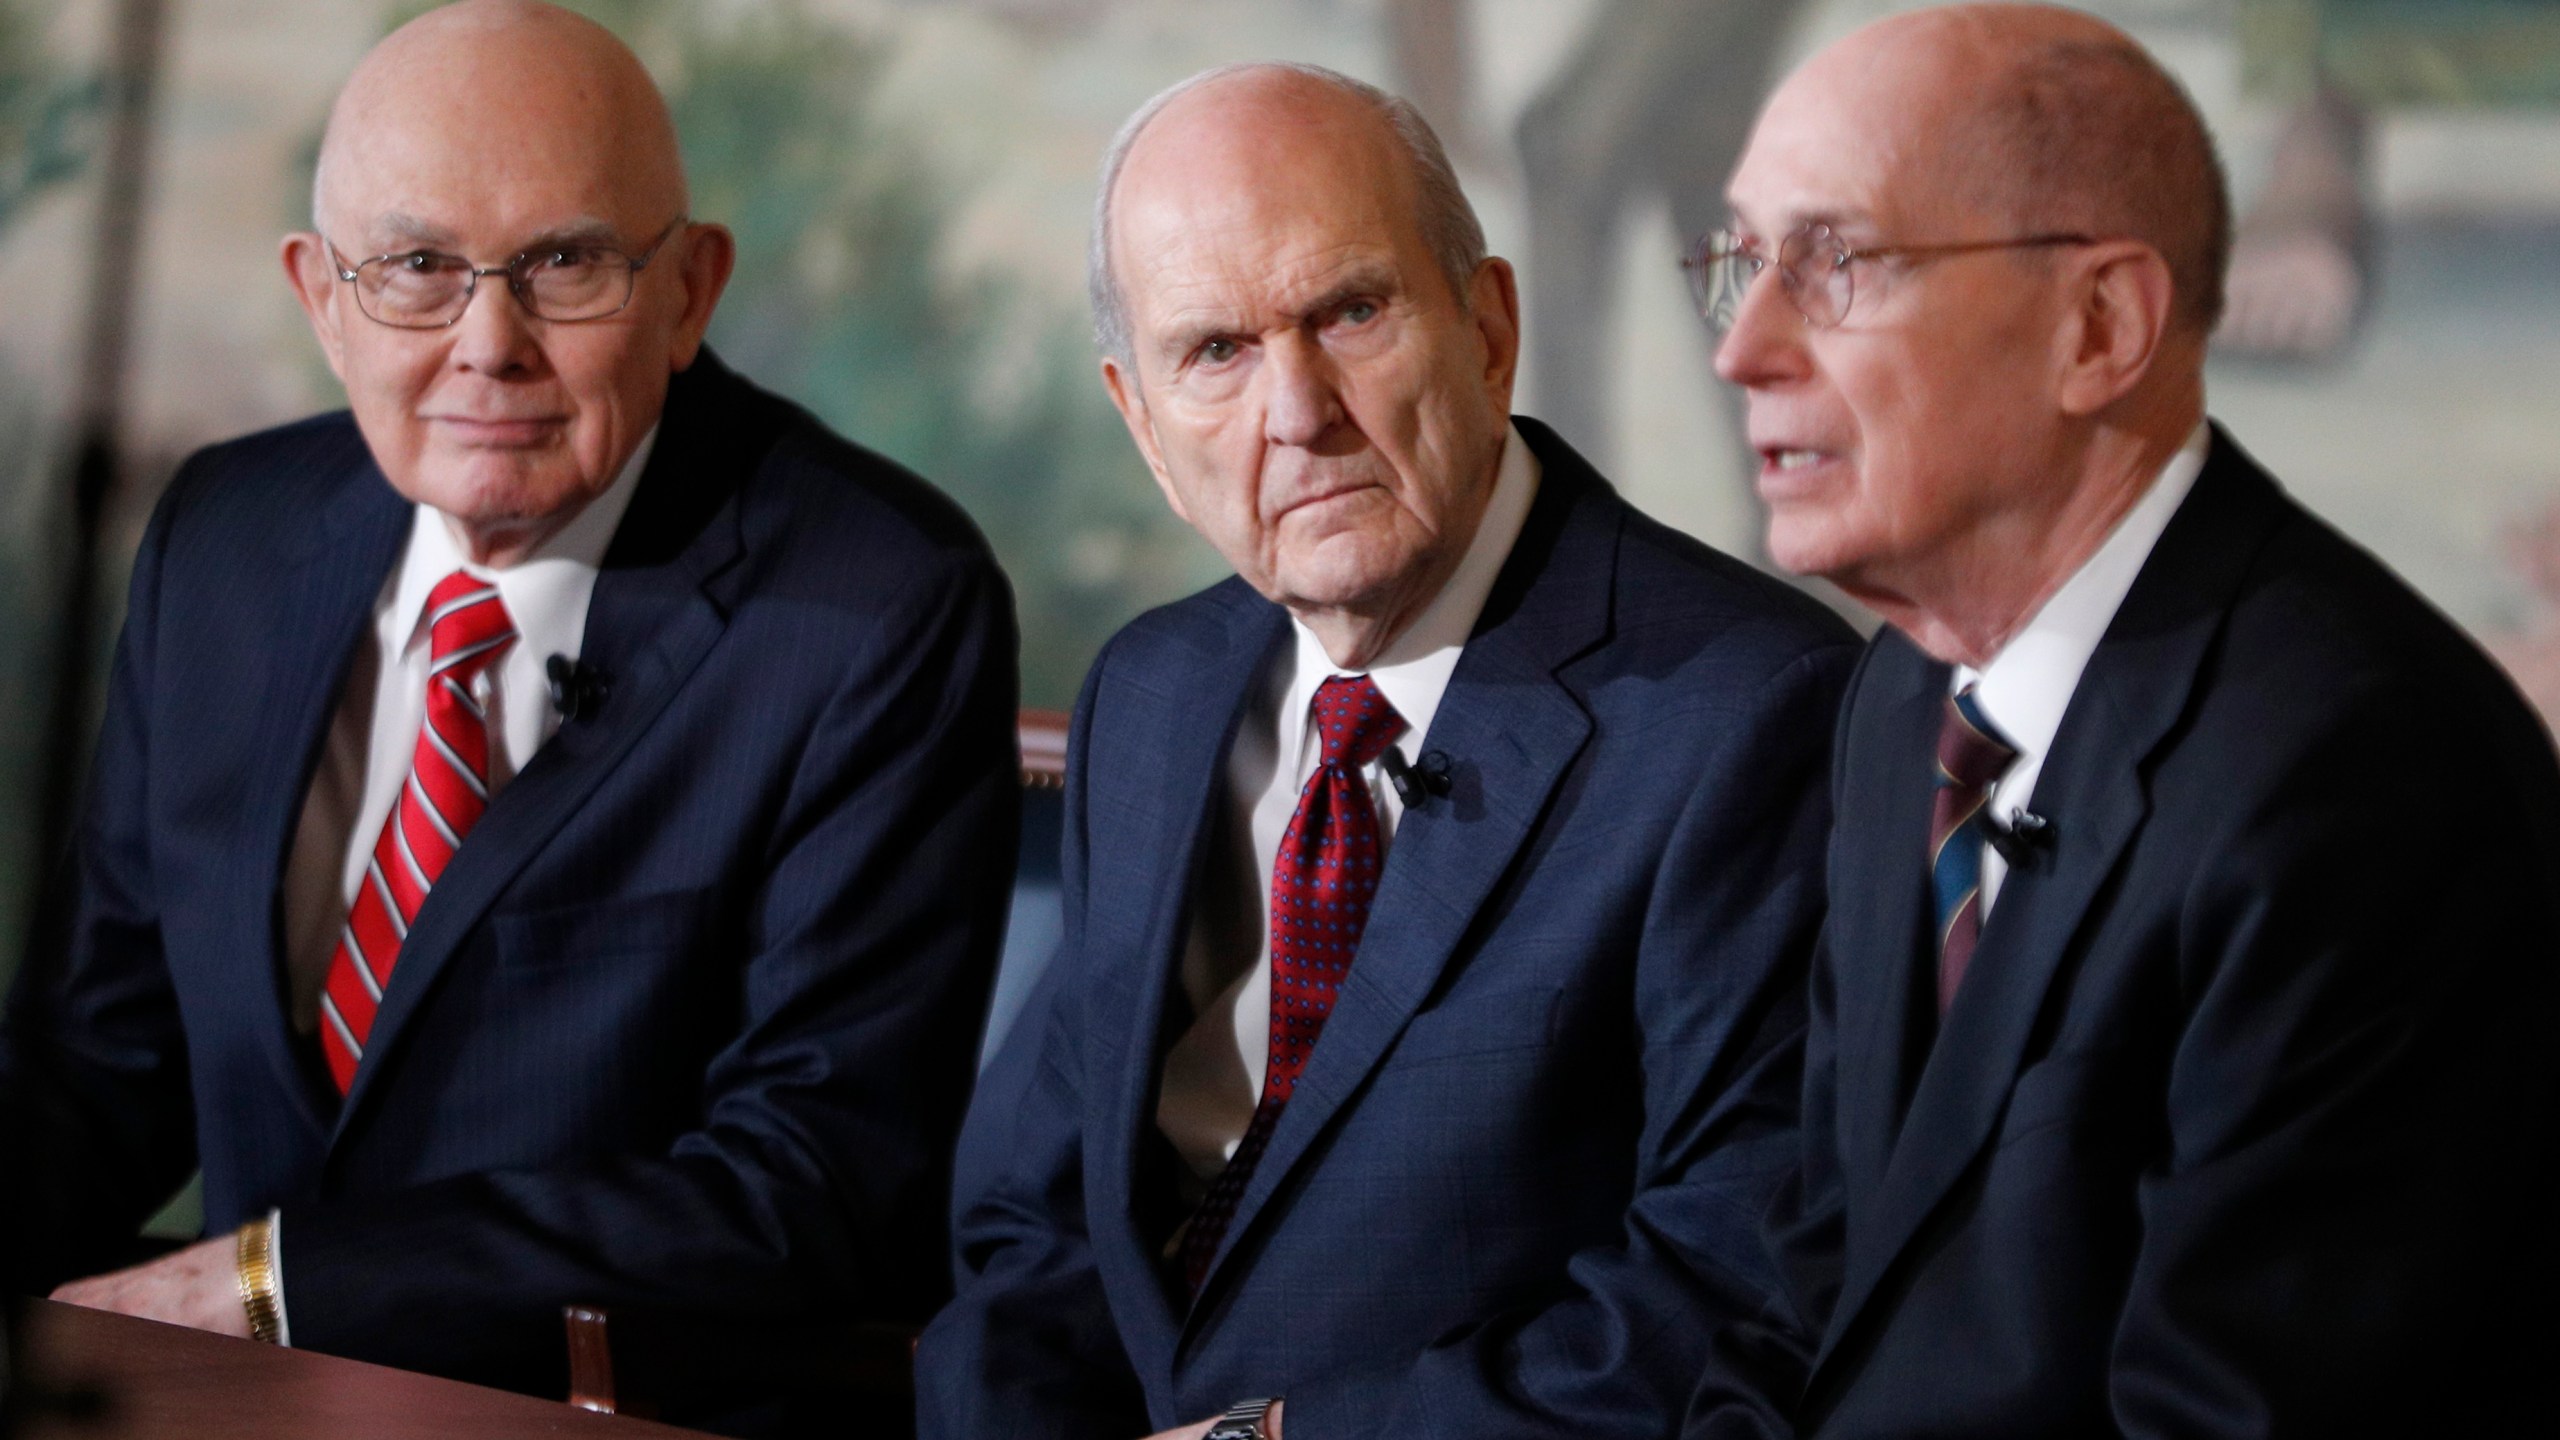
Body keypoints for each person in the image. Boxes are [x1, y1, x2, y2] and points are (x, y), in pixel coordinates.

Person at [0, 2, 1018, 1432]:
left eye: (566, 264)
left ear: (691, 290)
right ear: (320, 295)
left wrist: (276, 1282)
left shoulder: (878, 604)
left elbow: (815, 1180)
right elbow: (100, 1059)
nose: (492, 343)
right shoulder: (222, 541)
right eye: (417, 267)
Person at [916, 62, 1858, 1440]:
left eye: (1350, 312)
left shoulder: (1752, 713)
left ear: (1486, 329)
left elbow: (1723, 1298)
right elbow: (1034, 1216)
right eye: (1215, 354)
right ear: (1144, 424)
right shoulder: (1155, 690)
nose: (1296, 411)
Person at [1682, 7, 2560, 1435]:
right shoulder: (1904, 694)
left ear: (2098, 327)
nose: (1745, 349)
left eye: (1836, 263)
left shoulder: (2366, 785)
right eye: (1740, 263)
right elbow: (1808, 1301)